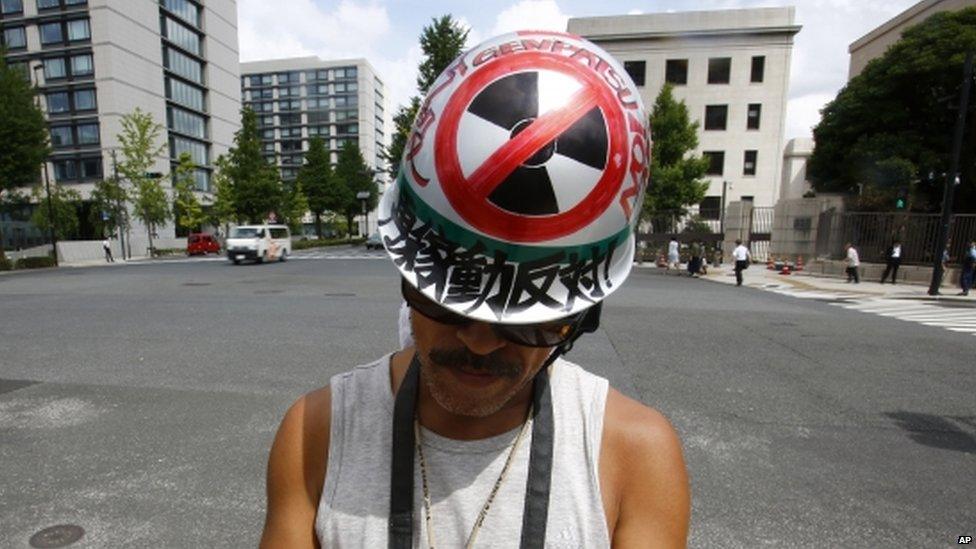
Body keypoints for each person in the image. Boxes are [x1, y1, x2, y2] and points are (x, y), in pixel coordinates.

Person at [259, 31, 689, 548]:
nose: (481, 341)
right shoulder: (317, 434)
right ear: (408, 271)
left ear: (582, 314)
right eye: (448, 298)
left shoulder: (634, 455)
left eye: (527, 319)